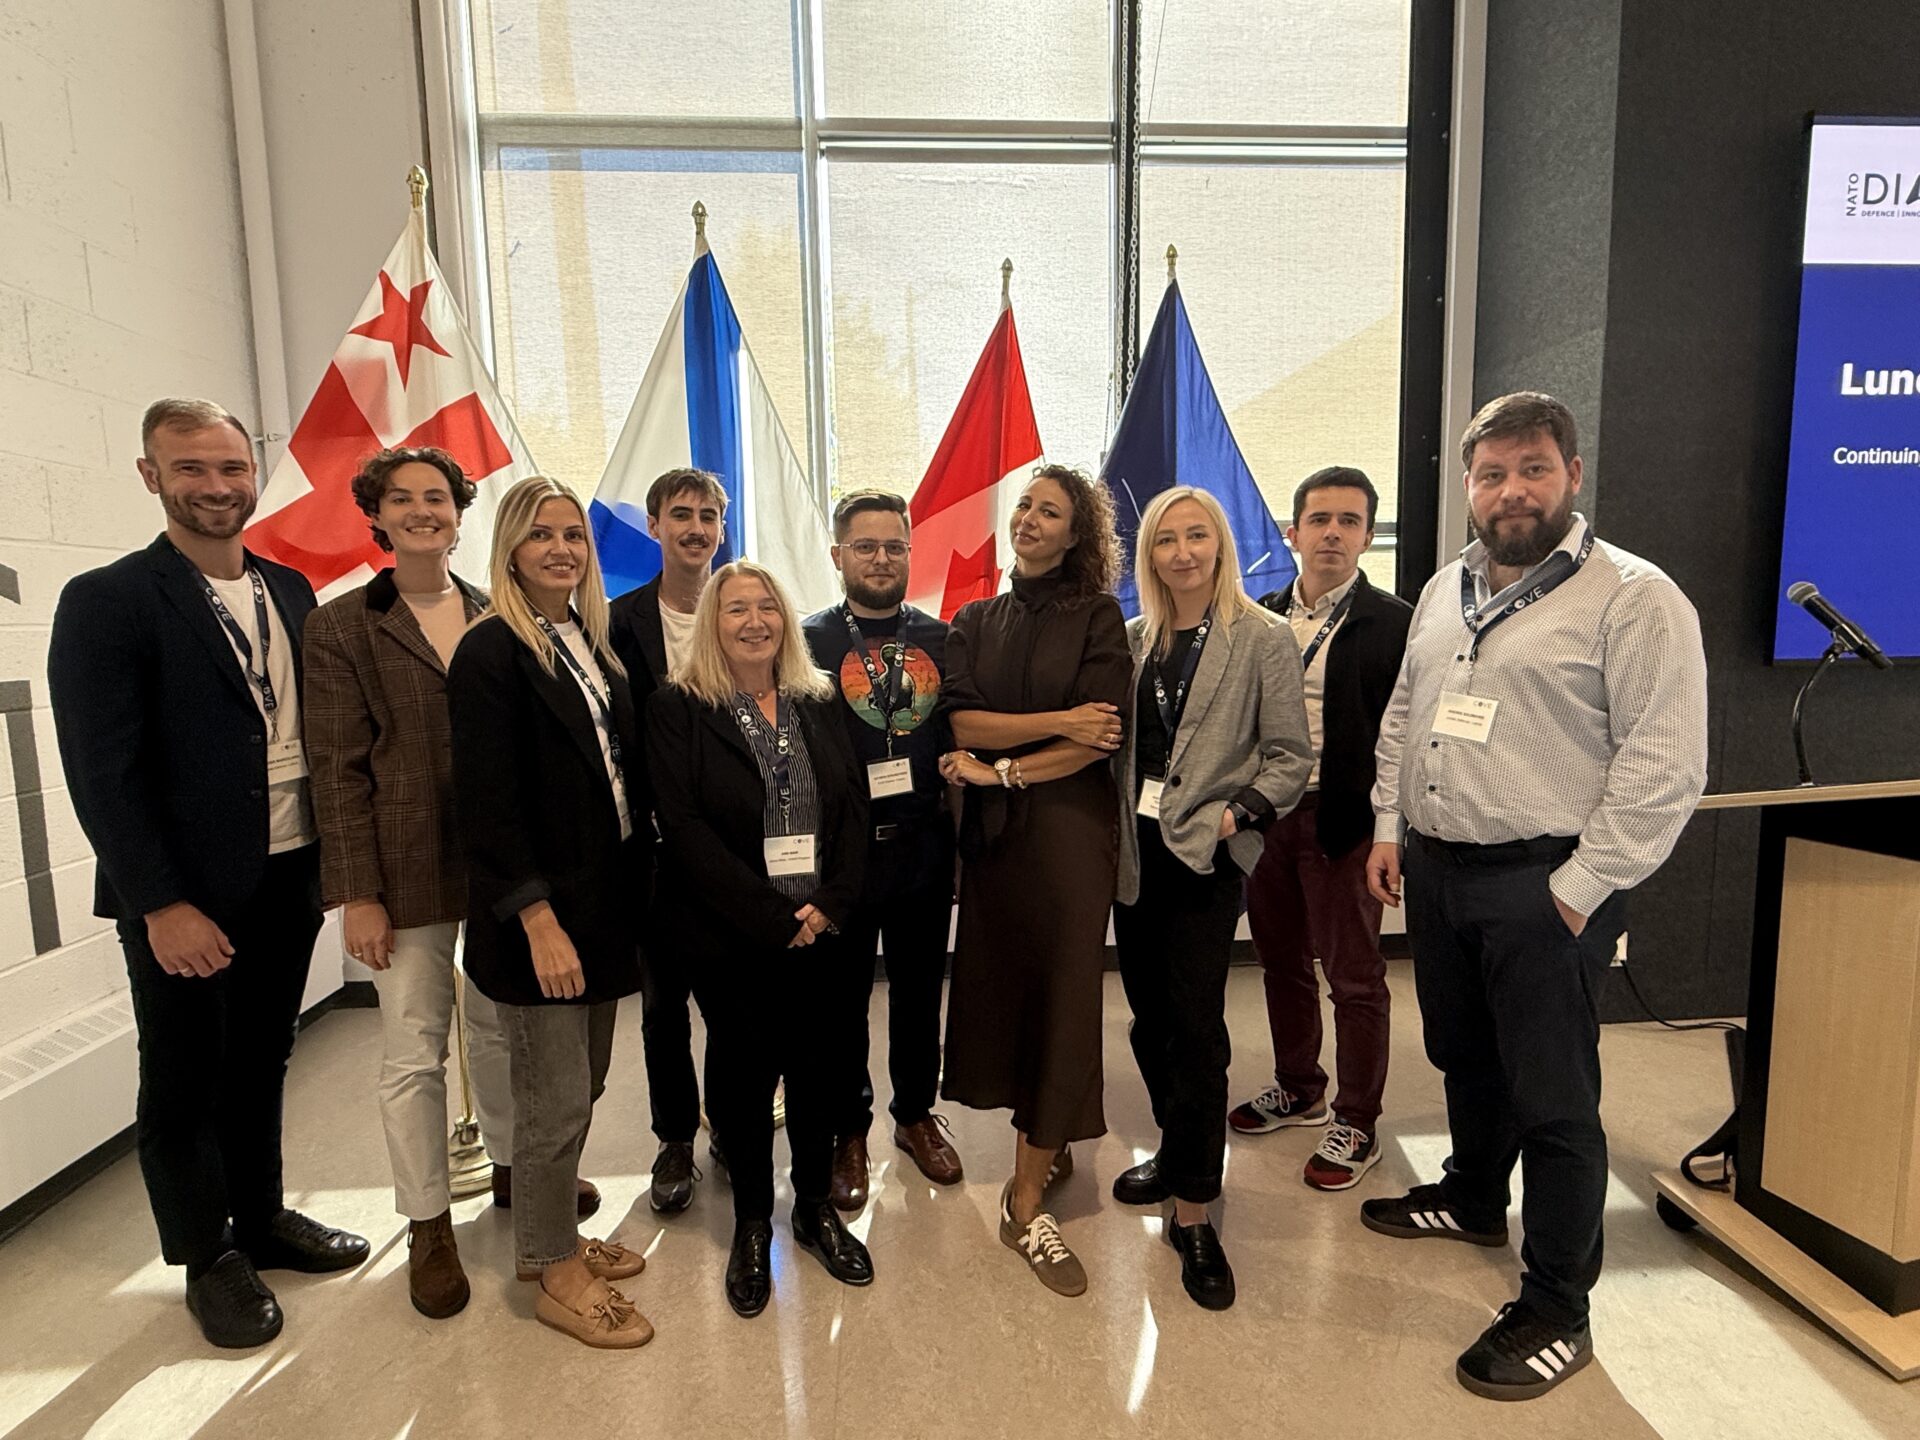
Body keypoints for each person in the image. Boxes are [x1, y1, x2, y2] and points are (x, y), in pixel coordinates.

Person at [1361, 392, 1707, 1400]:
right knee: (1463, 1055)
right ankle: (1474, 1197)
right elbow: (1406, 713)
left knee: (1554, 1100)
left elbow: (1664, 766)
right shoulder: (1446, 588)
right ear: (1470, 487)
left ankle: (1560, 1305)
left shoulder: (1635, 599)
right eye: (1492, 474)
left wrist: (1579, 889)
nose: (1511, 490)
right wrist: (1389, 828)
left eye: (1533, 469)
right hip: (1440, 870)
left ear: (1573, 475)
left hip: (1545, 882)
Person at [46, 398, 368, 1350]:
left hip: (286, 872)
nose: (216, 486)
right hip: (185, 892)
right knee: (183, 1077)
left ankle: (260, 1219)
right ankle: (206, 1256)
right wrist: (160, 902)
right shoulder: (109, 600)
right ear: (151, 476)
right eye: (191, 468)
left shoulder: (289, 589)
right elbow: (101, 772)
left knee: (263, 1058)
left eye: (231, 467)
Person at [304, 447, 594, 1318]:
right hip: (406, 863)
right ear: (378, 515)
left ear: (462, 515)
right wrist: (357, 892)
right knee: (414, 1044)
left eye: (438, 497)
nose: (423, 511)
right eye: (403, 499)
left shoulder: (496, 612)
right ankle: (427, 1220)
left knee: (505, 1027)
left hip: (502, 862)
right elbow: (337, 770)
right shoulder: (343, 626)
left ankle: (511, 1167)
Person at [446, 476, 653, 1350]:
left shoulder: (590, 643)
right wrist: (536, 920)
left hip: (602, 906)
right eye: (541, 535)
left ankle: (555, 1234)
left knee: (584, 1085)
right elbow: (487, 807)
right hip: (542, 923)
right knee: (552, 1100)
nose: (561, 548)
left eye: (573, 534)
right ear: (510, 550)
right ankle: (549, 1268)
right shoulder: (491, 652)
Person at [647, 561, 872, 1318]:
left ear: (785, 620)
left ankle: (812, 1209)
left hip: (822, 931)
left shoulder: (819, 699)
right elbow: (684, 830)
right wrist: (774, 918)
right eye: (736, 608)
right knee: (743, 1080)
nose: (754, 622)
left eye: (767, 607)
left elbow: (853, 810)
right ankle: (751, 1221)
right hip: (731, 936)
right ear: (712, 623)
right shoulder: (679, 707)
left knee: (818, 1074)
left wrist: (828, 906)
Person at [1110, 486, 1313, 1311]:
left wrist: (1238, 815)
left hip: (1205, 859)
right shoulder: (1133, 640)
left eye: (1197, 536)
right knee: (1148, 1021)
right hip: (1135, 859)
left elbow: (1290, 757)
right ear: (1150, 555)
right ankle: (1174, 1146)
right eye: (1167, 540)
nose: (1183, 552)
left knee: (1196, 1032)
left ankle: (1195, 1210)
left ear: (1220, 545)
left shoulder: (1262, 637)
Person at [938, 464, 1132, 1298]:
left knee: (1063, 1000)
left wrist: (1003, 771)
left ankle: (1024, 1200)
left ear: (1076, 533)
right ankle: (1041, 1148)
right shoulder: (974, 619)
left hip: (1067, 838)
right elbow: (964, 722)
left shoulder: (1098, 617)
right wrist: (1053, 723)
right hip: (994, 842)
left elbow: (1099, 740)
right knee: (1006, 994)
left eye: (1050, 511)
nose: (1029, 519)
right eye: (1023, 504)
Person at [1231, 466, 1413, 1192]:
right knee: (1279, 963)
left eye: (1349, 521)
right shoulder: (1259, 616)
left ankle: (1358, 1120)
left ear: (1367, 536)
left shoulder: (1394, 623)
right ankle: (1298, 1087)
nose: (1333, 533)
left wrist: (1391, 831)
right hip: (1268, 818)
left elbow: (1402, 737)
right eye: (1319, 519)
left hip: (1345, 823)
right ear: (1293, 532)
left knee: (1354, 977)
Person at [802, 490, 963, 1212]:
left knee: (920, 993)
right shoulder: (806, 641)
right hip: (842, 857)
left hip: (922, 846)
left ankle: (915, 1114)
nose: (880, 559)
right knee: (839, 1003)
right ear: (838, 555)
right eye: (865, 547)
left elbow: (957, 740)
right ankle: (850, 1129)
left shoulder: (941, 638)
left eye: (894, 546)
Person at [608, 467, 726, 1213]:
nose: (695, 528)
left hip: (735, 846)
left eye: (707, 515)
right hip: (653, 852)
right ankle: (675, 1138)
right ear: (654, 526)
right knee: (663, 1009)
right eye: (680, 514)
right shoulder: (615, 623)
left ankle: (734, 1124)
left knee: (734, 1003)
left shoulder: (743, 610)